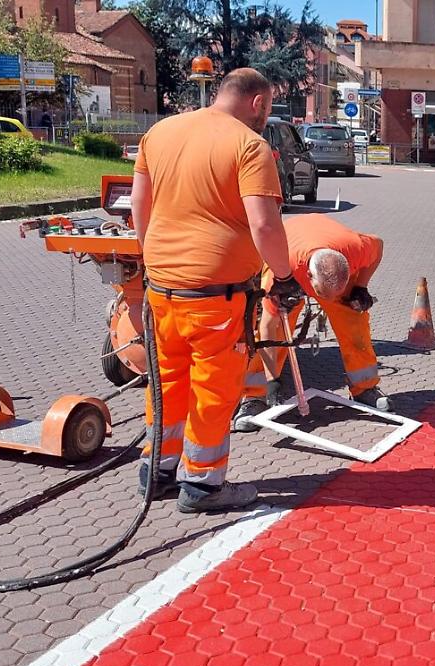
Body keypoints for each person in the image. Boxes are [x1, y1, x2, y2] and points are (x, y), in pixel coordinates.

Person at [131, 68, 303, 513]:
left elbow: (139, 207)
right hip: (216, 297)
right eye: (267, 107)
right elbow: (265, 225)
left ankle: (158, 469)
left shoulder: (160, 132)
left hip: (162, 289)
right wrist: (284, 276)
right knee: (213, 388)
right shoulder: (249, 146)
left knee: (167, 381)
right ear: (257, 102)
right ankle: (203, 485)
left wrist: (157, 261)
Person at [233, 214, 391, 432]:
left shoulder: (356, 248)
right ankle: (254, 397)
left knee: (354, 322)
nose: (325, 300)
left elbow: (378, 245)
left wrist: (360, 287)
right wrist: (272, 379)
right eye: (320, 293)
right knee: (278, 332)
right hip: (290, 261)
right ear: (308, 276)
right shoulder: (282, 271)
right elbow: (267, 328)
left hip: (325, 257)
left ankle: (365, 388)